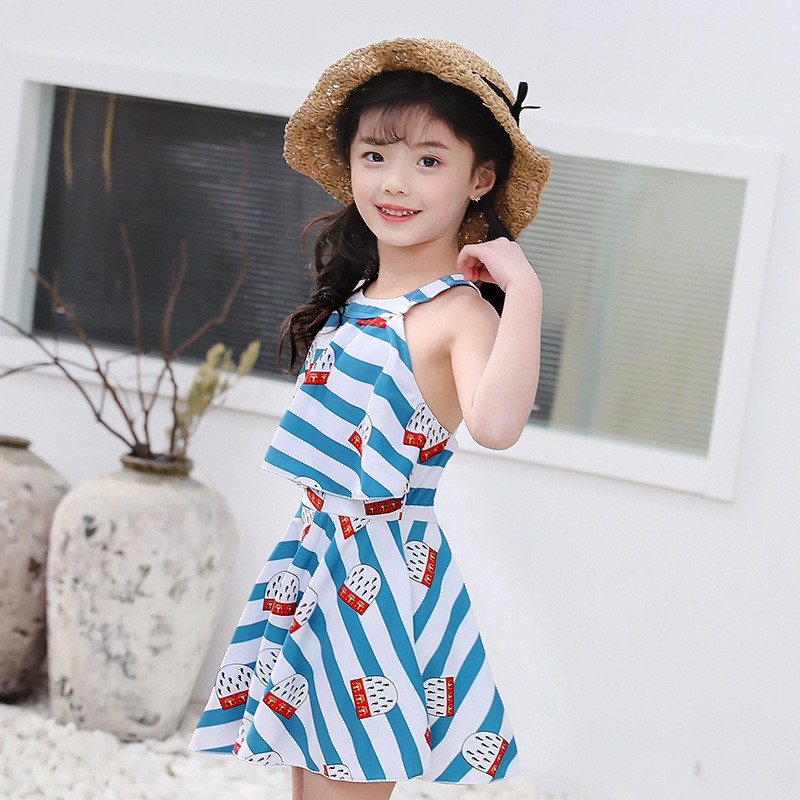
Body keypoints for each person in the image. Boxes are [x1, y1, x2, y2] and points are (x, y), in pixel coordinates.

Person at [188, 37, 550, 800]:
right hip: (316, 554)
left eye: (429, 160)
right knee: (307, 778)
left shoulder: (458, 314)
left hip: (380, 577)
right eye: (375, 155)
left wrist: (523, 294)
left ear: (480, 178)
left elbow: (496, 425)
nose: (395, 182)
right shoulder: (356, 298)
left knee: (346, 779)